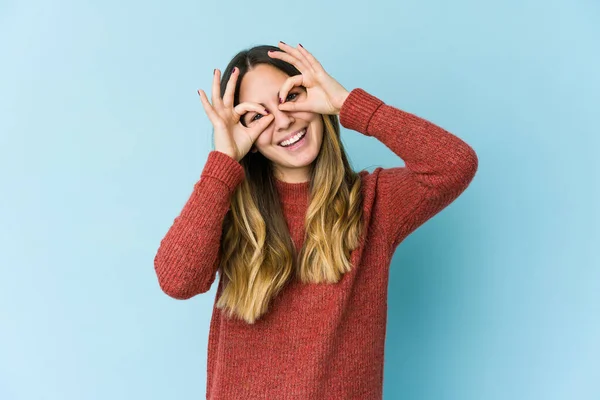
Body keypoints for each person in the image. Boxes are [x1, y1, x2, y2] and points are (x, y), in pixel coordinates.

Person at [154, 41, 479, 400]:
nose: (283, 120)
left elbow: (454, 164)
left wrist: (348, 104)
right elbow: (177, 280)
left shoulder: (374, 204)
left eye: (290, 97)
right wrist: (223, 160)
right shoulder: (229, 210)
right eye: (257, 117)